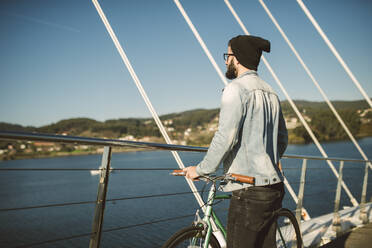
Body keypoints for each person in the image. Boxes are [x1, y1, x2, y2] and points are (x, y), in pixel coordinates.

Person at [183, 35, 288, 248]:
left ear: (237, 58)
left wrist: (201, 170)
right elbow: (282, 139)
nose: (225, 61)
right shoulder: (271, 92)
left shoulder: (236, 89)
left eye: (227, 55)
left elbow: (225, 136)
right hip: (273, 187)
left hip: (248, 190)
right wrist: (269, 160)